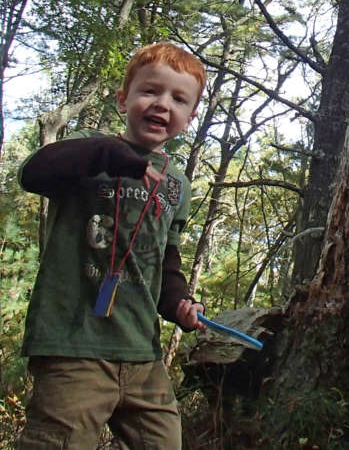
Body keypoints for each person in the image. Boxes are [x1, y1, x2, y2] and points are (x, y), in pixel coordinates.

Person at [16, 42, 207, 449]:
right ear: (123, 100)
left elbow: (165, 263)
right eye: (149, 91)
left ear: (189, 118)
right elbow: (33, 174)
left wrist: (180, 305)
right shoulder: (89, 149)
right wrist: (110, 155)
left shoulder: (178, 184)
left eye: (178, 99)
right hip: (74, 348)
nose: (162, 104)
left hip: (142, 355)